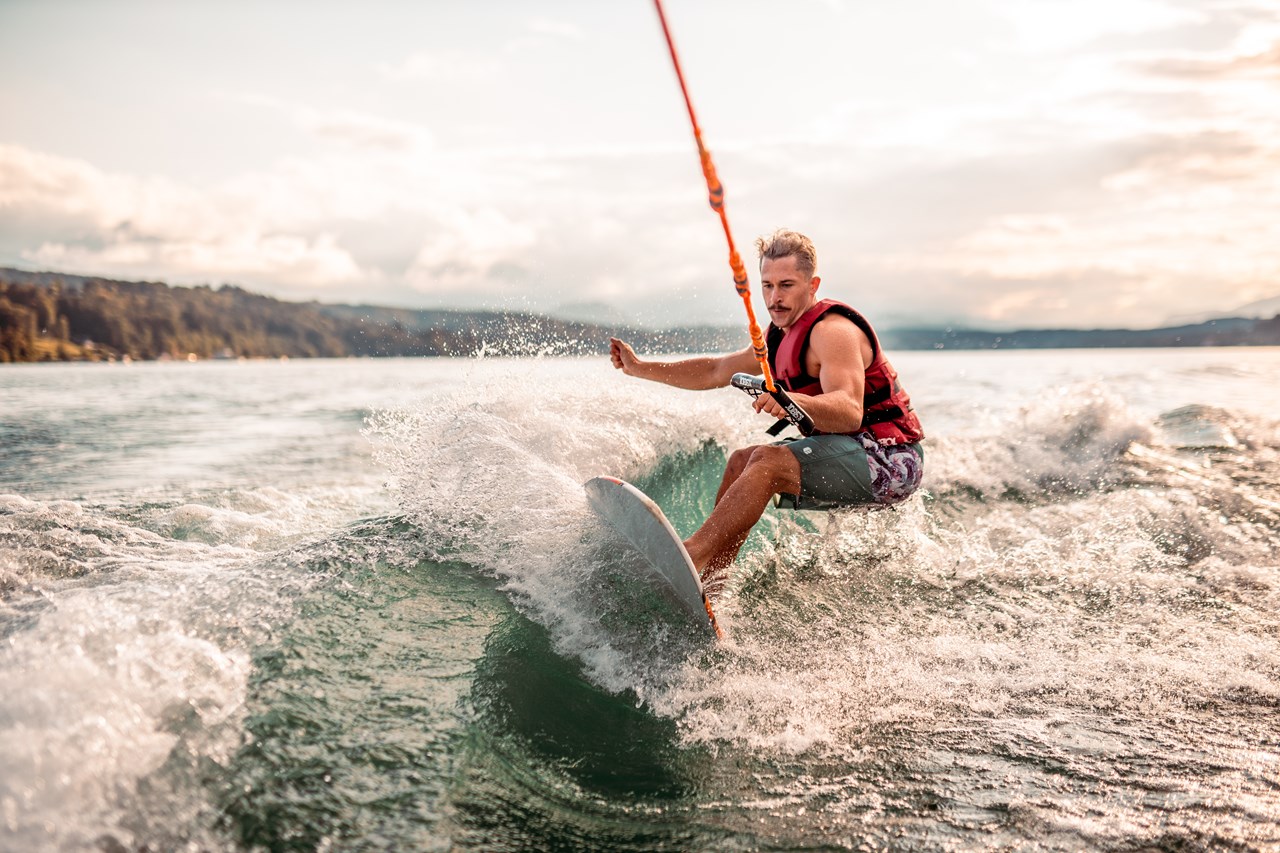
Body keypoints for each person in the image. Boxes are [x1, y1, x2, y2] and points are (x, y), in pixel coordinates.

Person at [609, 229, 924, 591]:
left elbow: (849, 409)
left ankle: (692, 554)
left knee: (767, 461)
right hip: (849, 451)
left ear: (812, 285)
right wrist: (640, 367)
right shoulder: (776, 335)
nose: (775, 298)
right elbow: (716, 370)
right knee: (741, 462)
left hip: (892, 460)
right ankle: (712, 584)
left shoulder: (833, 332)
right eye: (767, 286)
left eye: (786, 285)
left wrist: (792, 401)